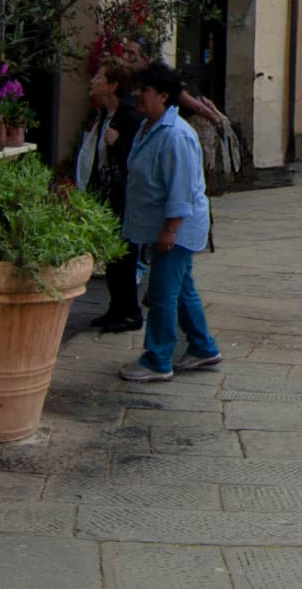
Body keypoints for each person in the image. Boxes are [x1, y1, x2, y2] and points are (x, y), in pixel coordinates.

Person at [117, 65, 222, 382]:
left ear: (163, 95)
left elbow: (181, 189)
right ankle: (203, 347)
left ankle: (157, 358)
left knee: (162, 294)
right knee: (181, 288)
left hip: (175, 229)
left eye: (143, 89)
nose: (136, 94)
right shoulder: (149, 127)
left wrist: (170, 230)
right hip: (159, 226)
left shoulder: (176, 136)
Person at [69, 63, 144, 335]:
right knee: (111, 256)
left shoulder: (128, 116)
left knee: (123, 255)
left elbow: (137, 158)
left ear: (112, 85)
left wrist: (118, 143)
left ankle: (130, 312)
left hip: (123, 194)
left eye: (100, 77)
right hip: (106, 192)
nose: (93, 80)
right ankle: (116, 308)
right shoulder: (103, 114)